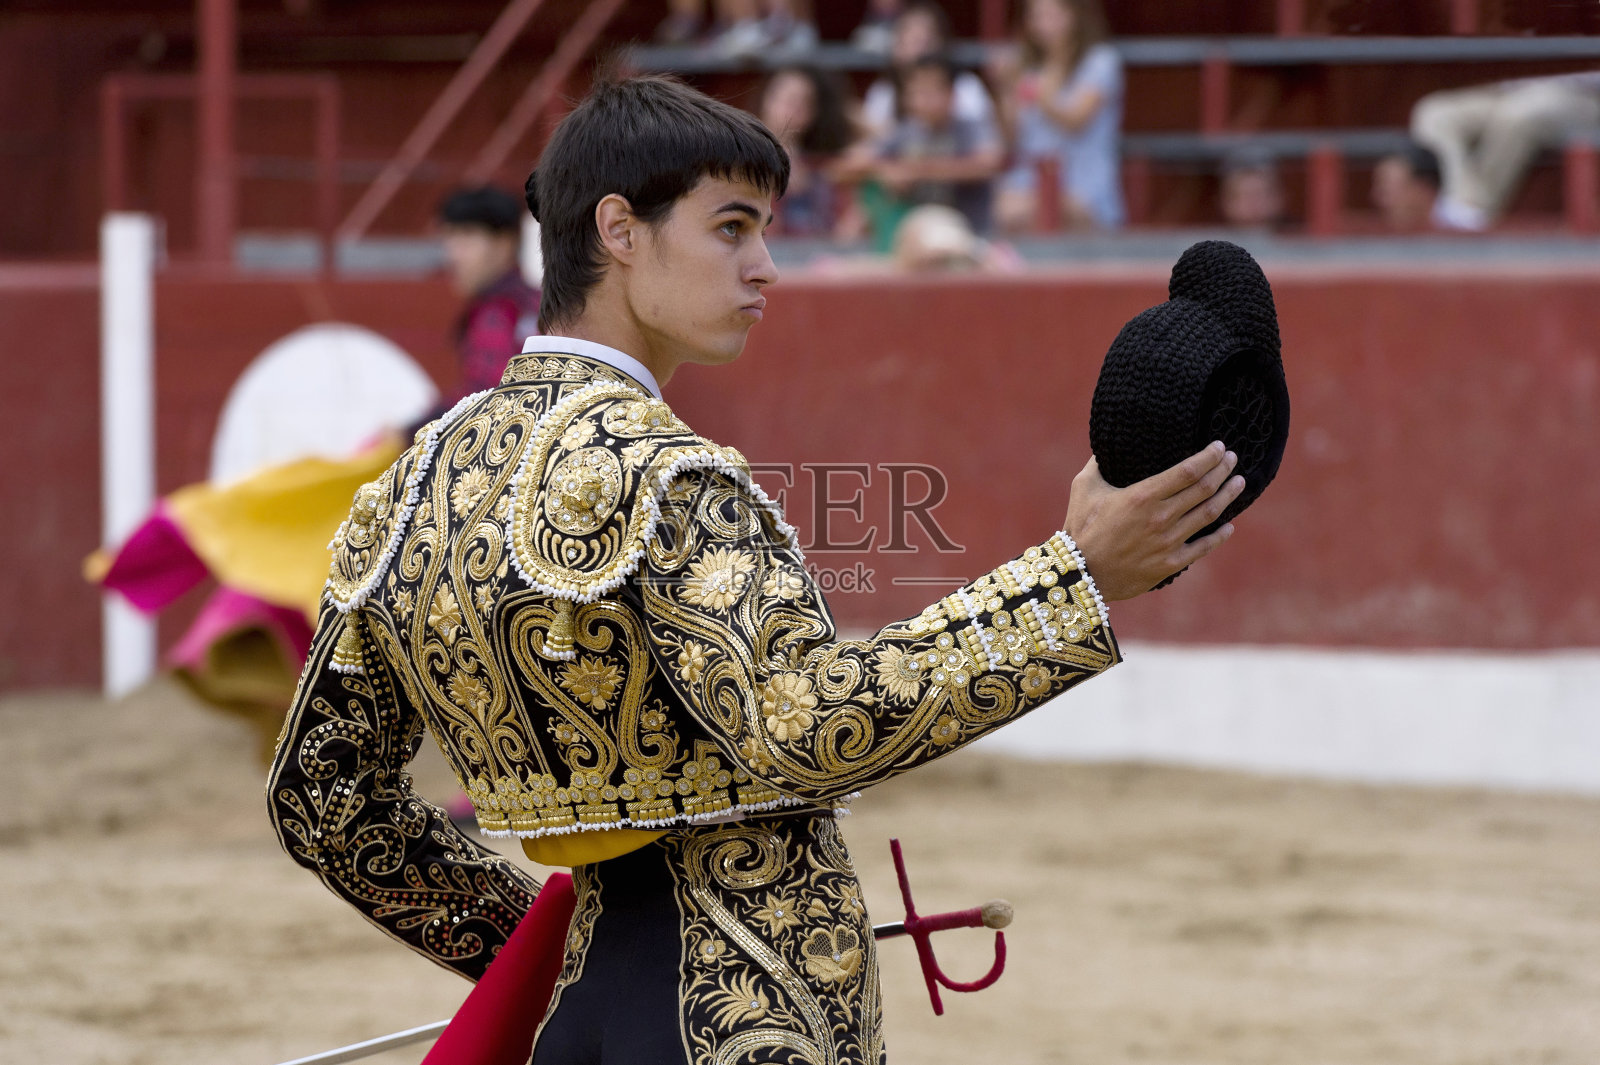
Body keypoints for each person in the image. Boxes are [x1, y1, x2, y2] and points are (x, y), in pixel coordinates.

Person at [267, 74, 1244, 1063]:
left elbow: (319, 796)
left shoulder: (411, 489)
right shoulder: (667, 475)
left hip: (584, 1019)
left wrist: (534, 954)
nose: (765, 266)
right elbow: (809, 725)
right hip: (745, 1028)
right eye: (730, 229)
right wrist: (1068, 583)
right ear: (620, 230)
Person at [993, 0, 1125, 232]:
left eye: (1052, 15)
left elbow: (1075, 121)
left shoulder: (1101, 61)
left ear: (1075, 16)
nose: (1044, 25)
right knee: (1004, 210)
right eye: (1036, 16)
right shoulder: (1026, 67)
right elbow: (1011, 138)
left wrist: (1039, 92)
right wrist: (1005, 89)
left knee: (1061, 210)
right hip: (1030, 181)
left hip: (1084, 182)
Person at [1410, 71, 1600, 231]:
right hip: (1511, 88)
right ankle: (1460, 201)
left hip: (1584, 94)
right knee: (1434, 112)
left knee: (1517, 114)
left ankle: (1472, 212)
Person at [858, 53, 1006, 233]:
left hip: (970, 233)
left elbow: (988, 164)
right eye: (915, 92)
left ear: (950, 93)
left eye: (929, 91)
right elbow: (848, 165)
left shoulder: (970, 128)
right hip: (915, 237)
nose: (921, 100)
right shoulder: (904, 131)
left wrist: (915, 170)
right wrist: (884, 171)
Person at [436, 185, 542, 403]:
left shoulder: (496, 312)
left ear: (504, 243)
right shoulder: (539, 301)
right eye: (449, 239)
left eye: (466, 238)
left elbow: (485, 398)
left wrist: (410, 431)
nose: (453, 255)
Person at [858, 1, 997, 138]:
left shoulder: (966, 87)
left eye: (920, 41)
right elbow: (874, 145)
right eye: (904, 41)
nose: (912, 52)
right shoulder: (884, 91)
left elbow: (986, 145)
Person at [759, 65, 857, 236]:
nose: (796, 108)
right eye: (789, 99)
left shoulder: (821, 163)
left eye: (805, 102)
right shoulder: (744, 153)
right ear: (767, 100)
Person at [1371, 143, 1441, 232]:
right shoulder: (1379, 237)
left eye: (1388, 191)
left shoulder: (1460, 228)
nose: (1378, 198)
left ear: (1424, 188)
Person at [1219, 149, 1285, 230]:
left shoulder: (1296, 239)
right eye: (1244, 195)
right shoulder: (1206, 236)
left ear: (1279, 198)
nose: (1253, 203)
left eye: (1261, 195)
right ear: (1225, 202)